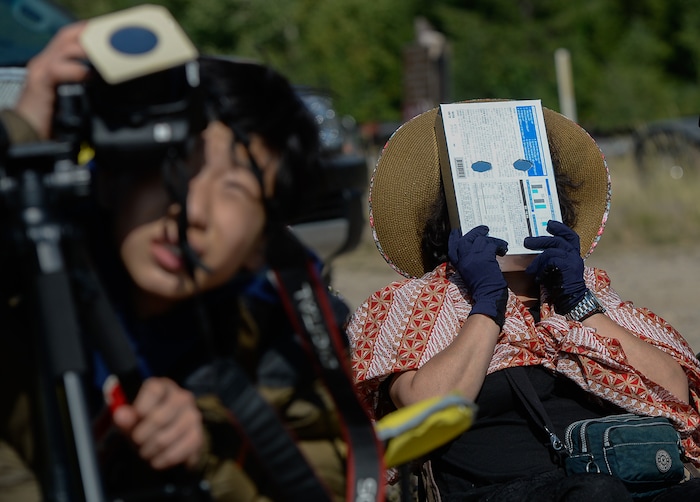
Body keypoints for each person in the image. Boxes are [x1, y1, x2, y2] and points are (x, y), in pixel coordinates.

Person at [0, 19, 374, 502]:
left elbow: (332, 478)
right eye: (178, 167)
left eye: (235, 189)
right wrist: (23, 137)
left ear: (261, 241)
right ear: (117, 174)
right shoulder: (27, 267)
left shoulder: (280, 334)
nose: (192, 212)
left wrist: (208, 454)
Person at [347, 103, 700, 500]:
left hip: (625, 485)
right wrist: (486, 304)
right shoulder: (410, 303)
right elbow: (421, 410)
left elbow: (673, 392)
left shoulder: (585, 289)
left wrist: (580, 304)